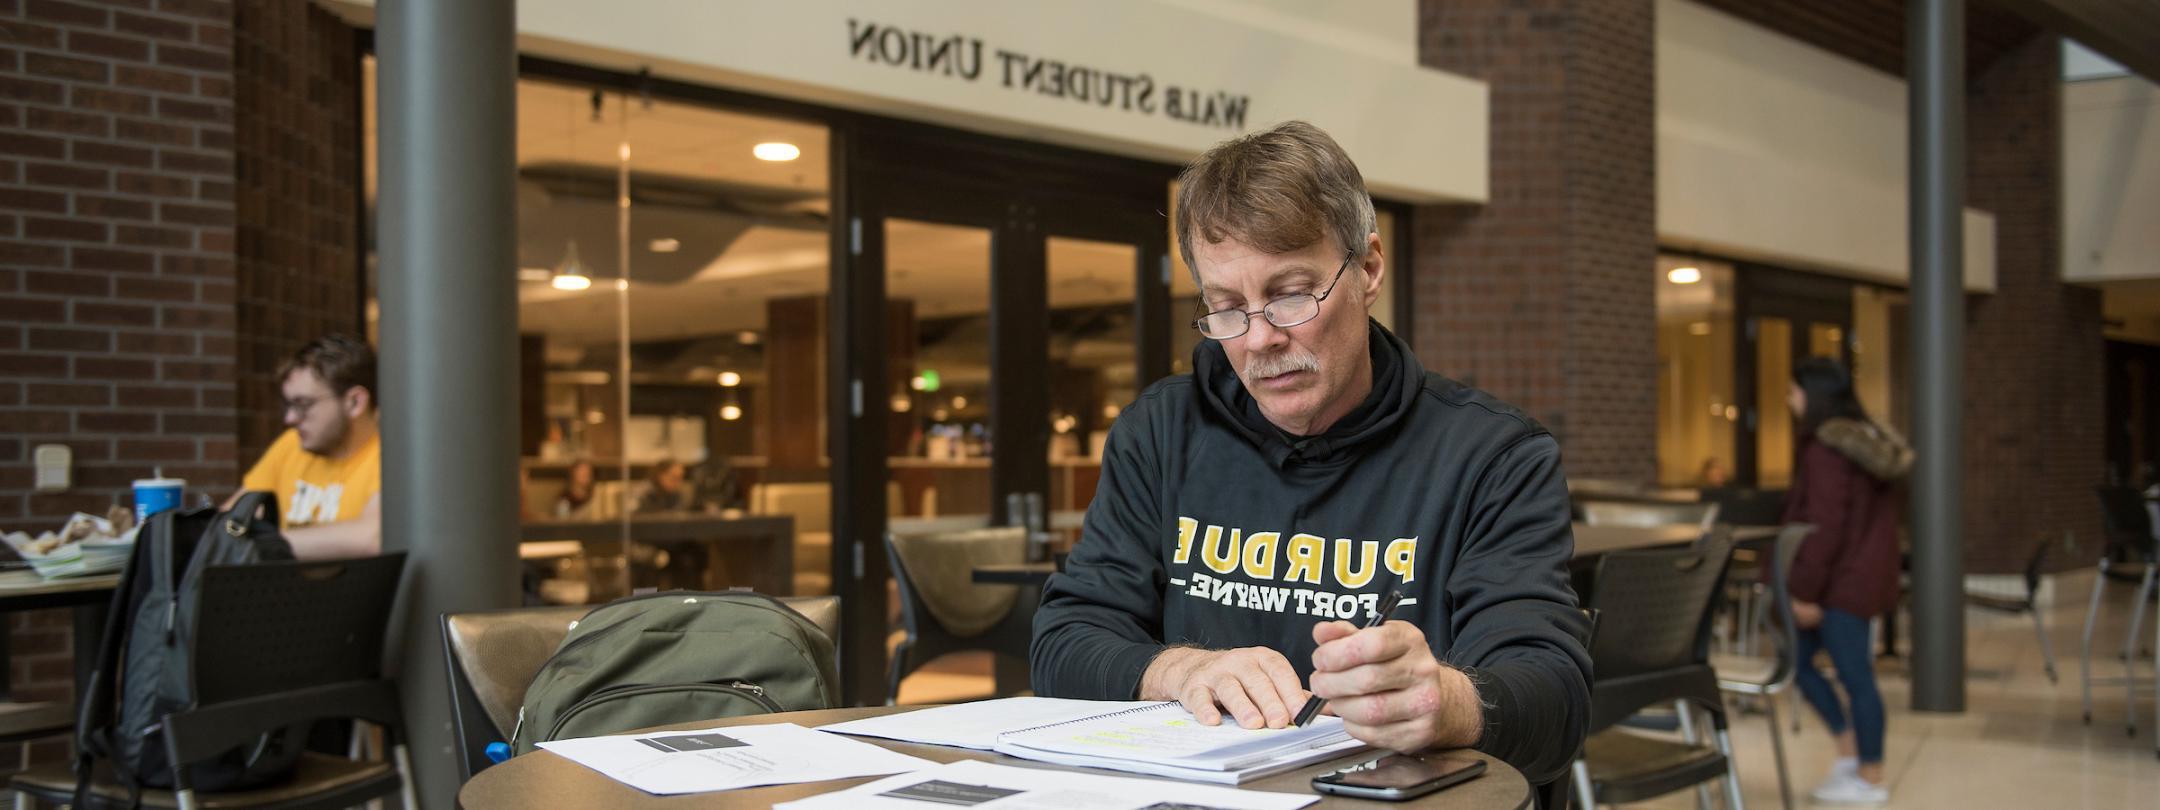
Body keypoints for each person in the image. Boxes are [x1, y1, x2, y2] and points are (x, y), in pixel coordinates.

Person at [1030, 121, 1591, 785]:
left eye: (1291, 294)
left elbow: (1555, 699)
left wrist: (1441, 702)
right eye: (1227, 307)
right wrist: (1178, 670)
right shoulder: (1160, 431)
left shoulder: (1493, 456)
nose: (1259, 337)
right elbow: (1062, 640)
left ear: (1369, 269)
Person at [1782, 357, 1911, 804]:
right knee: (1802, 663)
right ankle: (1851, 755)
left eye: (1794, 391)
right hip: (1861, 577)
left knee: (1855, 677)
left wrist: (1805, 592)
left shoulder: (1826, 450)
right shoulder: (1866, 446)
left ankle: (1869, 776)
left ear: (1813, 395)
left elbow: (1824, 527)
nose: (1789, 399)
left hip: (1841, 584)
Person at [232, 334, 381, 560]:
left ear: (355, 402)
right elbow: (231, 522)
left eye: (303, 405)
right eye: (289, 405)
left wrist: (264, 544)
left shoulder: (389, 452)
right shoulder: (291, 444)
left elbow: (371, 537)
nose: (290, 418)